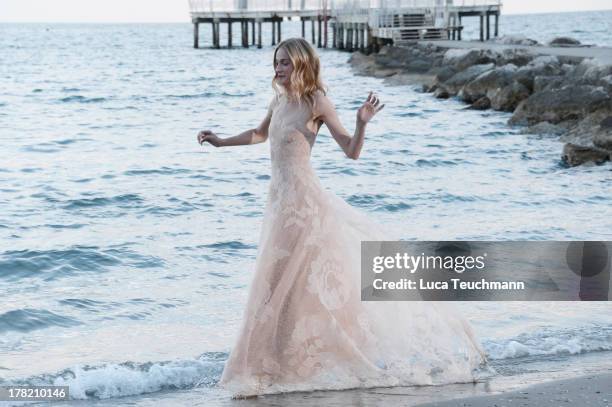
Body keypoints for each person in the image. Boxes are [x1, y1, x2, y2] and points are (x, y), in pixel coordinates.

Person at [197, 37, 487, 398]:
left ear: (301, 64)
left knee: (290, 289)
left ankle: (290, 368)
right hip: (279, 206)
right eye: (277, 62)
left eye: (285, 62)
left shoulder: (316, 101)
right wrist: (221, 141)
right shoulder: (280, 99)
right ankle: (273, 369)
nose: (278, 68)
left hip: (304, 208)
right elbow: (259, 134)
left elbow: (351, 152)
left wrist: (361, 123)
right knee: (278, 289)